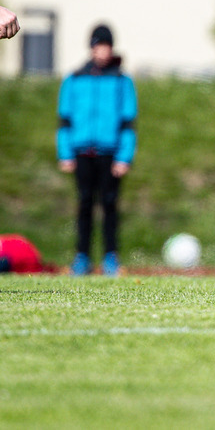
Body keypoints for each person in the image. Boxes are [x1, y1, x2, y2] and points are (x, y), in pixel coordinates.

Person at [58, 24, 138, 276]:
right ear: (91, 48)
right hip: (82, 151)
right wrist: (65, 153)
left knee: (110, 205)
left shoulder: (121, 80)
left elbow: (128, 122)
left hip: (110, 153)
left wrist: (124, 156)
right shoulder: (74, 79)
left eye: (106, 45)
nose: (102, 51)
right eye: (98, 45)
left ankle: (110, 257)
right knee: (84, 204)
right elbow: (65, 120)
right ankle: (81, 257)